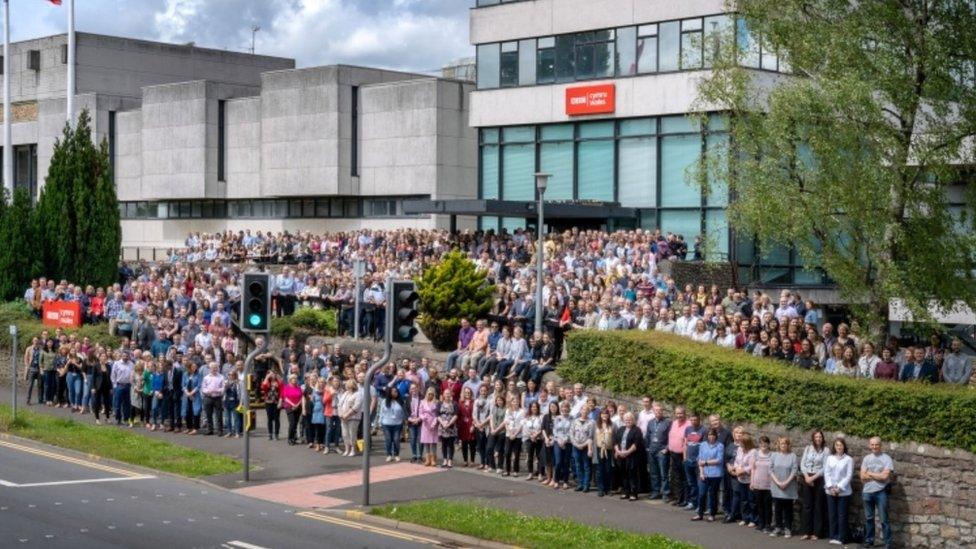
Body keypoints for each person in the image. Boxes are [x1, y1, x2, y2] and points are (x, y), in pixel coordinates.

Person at [860, 437, 895, 549]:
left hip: (881, 492)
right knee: (869, 519)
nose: (874, 447)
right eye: (872, 445)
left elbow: (885, 477)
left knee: (884, 519)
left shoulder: (887, 459)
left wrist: (869, 473)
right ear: (870, 445)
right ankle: (869, 541)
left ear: (880, 445)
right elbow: (862, 477)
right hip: (867, 492)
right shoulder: (866, 458)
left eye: (876, 445)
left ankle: (887, 543)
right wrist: (877, 475)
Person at [800, 429, 829, 540]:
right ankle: (806, 532)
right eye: (816, 437)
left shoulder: (826, 450)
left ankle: (817, 533)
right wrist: (807, 477)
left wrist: (813, 477)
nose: (818, 439)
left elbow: (825, 467)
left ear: (822, 438)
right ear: (813, 438)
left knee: (818, 506)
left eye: (820, 437)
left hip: (819, 479)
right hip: (807, 478)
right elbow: (802, 463)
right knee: (807, 505)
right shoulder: (808, 448)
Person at [824, 437, 853, 546]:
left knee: (842, 515)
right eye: (837, 445)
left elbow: (848, 475)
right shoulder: (830, 458)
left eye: (841, 445)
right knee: (832, 515)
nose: (839, 447)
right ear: (834, 446)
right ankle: (833, 536)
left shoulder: (848, 459)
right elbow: (827, 473)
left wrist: (839, 488)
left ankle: (842, 537)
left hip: (844, 492)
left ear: (844, 446)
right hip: (830, 491)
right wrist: (831, 487)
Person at [770, 436, 798, 538]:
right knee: (777, 509)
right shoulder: (774, 455)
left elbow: (794, 470)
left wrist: (786, 482)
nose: (783, 445)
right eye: (782, 443)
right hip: (776, 486)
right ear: (779, 445)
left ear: (788, 445)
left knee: (788, 509)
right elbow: (770, 469)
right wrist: (778, 482)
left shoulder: (793, 456)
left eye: (785, 444)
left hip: (788, 486)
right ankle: (778, 527)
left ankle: (788, 528)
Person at [694, 428, 725, 521]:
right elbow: (700, 459)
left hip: (715, 474)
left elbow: (719, 460)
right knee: (701, 494)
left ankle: (712, 514)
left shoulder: (720, 446)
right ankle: (700, 514)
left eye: (713, 435)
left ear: (716, 436)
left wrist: (706, 462)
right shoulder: (703, 445)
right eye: (709, 435)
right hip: (704, 473)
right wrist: (702, 473)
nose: (711, 437)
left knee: (712, 494)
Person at [644, 402, 671, 500]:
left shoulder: (668, 423)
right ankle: (655, 492)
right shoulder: (650, 422)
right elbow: (647, 436)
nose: (658, 412)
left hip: (661, 452)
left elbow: (671, 437)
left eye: (660, 410)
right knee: (653, 473)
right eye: (656, 410)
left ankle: (665, 493)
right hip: (651, 451)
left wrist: (666, 448)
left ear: (662, 411)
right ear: (654, 411)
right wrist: (647, 447)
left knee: (664, 474)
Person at [614, 412, 643, 501]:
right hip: (621, 456)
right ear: (623, 420)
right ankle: (625, 492)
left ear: (633, 420)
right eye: (626, 419)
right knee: (623, 474)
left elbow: (636, 444)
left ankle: (633, 493)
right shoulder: (621, 429)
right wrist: (618, 451)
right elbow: (615, 441)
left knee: (632, 474)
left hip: (632, 456)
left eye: (630, 419)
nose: (628, 421)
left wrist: (627, 452)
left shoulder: (637, 430)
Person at [731, 431, 757, 527]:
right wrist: (737, 469)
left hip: (750, 479)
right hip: (740, 478)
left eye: (742, 443)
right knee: (743, 500)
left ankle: (753, 519)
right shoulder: (739, 450)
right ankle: (745, 518)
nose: (740, 444)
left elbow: (752, 466)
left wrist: (743, 470)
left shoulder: (753, 452)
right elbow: (736, 461)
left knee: (751, 500)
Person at [751, 435, 774, 534]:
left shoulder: (773, 455)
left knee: (767, 505)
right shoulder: (755, 454)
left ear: (769, 444)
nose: (763, 445)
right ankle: (761, 523)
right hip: (757, 483)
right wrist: (752, 482)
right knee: (759, 505)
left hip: (769, 484)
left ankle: (768, 524)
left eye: (765, 443)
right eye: (761, 443)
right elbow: (753, 469)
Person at [570, 402, 595, 492]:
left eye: (586, 410)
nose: (584, 411)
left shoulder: (592, 422)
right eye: (583, 410)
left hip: (586, 447)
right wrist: (577, 445)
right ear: (580, 411)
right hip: (576, 447)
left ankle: (586, 485)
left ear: (589, 412)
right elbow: (571, 434)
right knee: (578, 465)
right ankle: (580, 484)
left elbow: (591, 437)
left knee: (586, 466)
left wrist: (583, 445)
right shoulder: (575, 421)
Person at [379, 386, 405, 462]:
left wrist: (404, 421)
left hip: (397, 424)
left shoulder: (401, 401)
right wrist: (380, 423)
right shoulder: (384, 401)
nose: (395, 393)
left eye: (396, 391)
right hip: (386, 423)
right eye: (393, 391)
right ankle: (389, 455)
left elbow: (403, 413)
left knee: (396, 439)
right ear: (389, 393)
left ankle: (396, 454)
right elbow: (381, 413)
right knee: (388, 439)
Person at [593, 406, 615, 496]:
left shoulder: (613, 425)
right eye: (603, 414)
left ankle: (608, 489)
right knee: (599, 469)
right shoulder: (596, 424)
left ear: (608, 415)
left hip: (609, 450)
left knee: (608, 469)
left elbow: (615, 437)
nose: (604, 415)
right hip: (598, 449)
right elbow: (592, 437)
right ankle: (601, 489)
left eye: (606, 414)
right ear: (600, 415)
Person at [338, 379, 362, 457]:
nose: (347, 387)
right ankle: (347, 449)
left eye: (349, 386)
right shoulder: (345, 393)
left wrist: (347, 414)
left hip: (353, 418)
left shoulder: (358, 394)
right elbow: (340, 404)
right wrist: (340, 414)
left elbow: (356, 406)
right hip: (343, 417)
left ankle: (353, 450)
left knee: (352, 434)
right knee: (345, 434)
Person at [502, 396, 524, 476]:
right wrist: (510, 433)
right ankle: (507, 470)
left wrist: (515, 434)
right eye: (513, 401)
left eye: (517, 402)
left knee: (516, 453)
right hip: (509, 435)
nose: (515, 403)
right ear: (511, 402)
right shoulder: (508, 411)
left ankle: (515, 471)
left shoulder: (522, 411)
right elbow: (506, 423)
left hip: (518, 435)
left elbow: (522, 424)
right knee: (507, 453)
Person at [437, 390, 459, 468]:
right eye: (446, 393)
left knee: (451, 444)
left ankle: (450, 460)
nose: (447, 395)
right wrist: (443, 423)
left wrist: (449, 424)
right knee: (444, 444)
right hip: (442, 426)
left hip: (451, 426)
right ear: (443, 395)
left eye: (449, 393)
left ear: (451, 394)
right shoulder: (440, 403)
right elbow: (438, 415)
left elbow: (456, 415)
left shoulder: (454, 403)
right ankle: (445, 460)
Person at [419, 387, 440, 467]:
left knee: (433, 442)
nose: (430, 395)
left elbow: (438, 414)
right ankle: (427, 459)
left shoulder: (437, 402)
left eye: (432, 394)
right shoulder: (422, 402)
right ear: (426, 393)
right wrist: (422, 417)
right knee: (426, 442)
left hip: (433, 423)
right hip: (425, 424)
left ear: (434, 394)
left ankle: (433, 459)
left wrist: (434, 422)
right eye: (429, 394)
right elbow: (420, 413)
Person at [457, 386, 476, 467]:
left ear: (471, 394)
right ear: (463, 393)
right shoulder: (460, 402)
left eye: (469, 392)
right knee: (464, 443)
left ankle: (472, 461)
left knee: (472, 444)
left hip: (471, 424)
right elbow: (458, 414)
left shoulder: (474, 402)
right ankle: (465, 461)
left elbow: (475, 415)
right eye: (466, 392)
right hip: (463, 425)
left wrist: (473, 425)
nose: (467, 394)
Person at [261, 371, 282, 441]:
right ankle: (270, 434)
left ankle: (276, 434)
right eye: (271, 374)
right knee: (269, 418)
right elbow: (263, 387)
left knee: (276, 419)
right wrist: (267, 377)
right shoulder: (267, 381)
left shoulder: (278, 381)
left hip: (276, 402)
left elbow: (282, 390)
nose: (272, 375)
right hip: (268, 402)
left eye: (274, 374)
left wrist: (280, 402)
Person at [406, 383, 424, 463]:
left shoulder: (422, 398)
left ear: (418, 389)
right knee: (413, 439)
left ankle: (420, 455)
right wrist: (411, 419)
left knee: (420, 439)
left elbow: (424, 410)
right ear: (410, 390)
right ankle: (414, 455)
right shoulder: (407, 399)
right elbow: (406, 411)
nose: (414, 390)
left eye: (415, 388)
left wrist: (419, 419)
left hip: (420, 421)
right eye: (412, 388)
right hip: (411, 422)